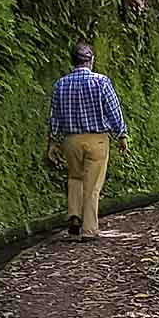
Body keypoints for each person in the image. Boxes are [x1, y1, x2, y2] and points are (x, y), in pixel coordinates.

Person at [46, 41, 129, 240]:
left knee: (75, 177)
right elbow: (113, 109)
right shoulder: (101, 82)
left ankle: (74, 216)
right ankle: (89, 229)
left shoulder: (61, 84)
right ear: (91, 60)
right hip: (97, 140)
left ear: (72, 61)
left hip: (71, 140)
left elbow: (54, 116)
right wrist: (121, 134)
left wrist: (53, 142)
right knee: (92, 186)